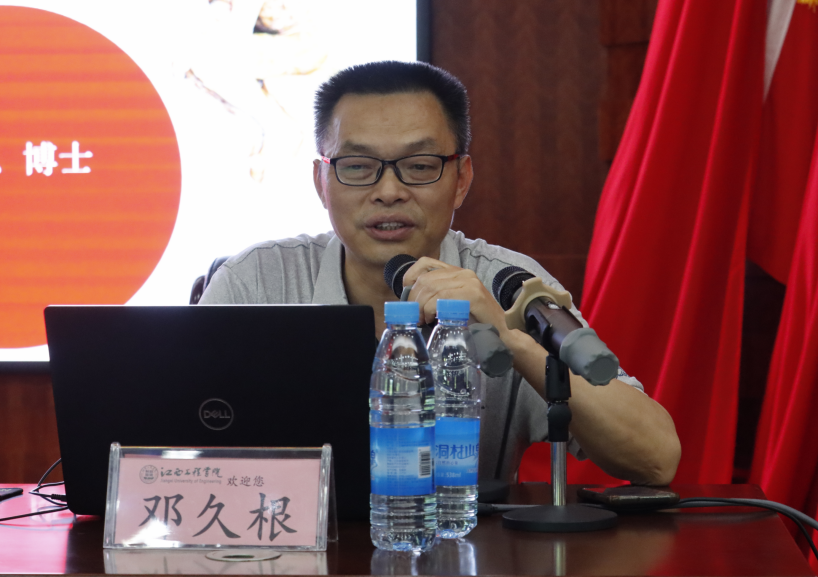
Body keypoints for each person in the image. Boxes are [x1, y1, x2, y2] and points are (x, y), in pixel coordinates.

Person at [201, 60, 681, 486]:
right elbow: (180, 451)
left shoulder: (508, 285)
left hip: (458, 545)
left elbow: (657, 459)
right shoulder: (254, 282)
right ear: (321, 182)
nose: (389, 190)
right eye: (358, 166)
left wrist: (510, 339)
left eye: (419, 165)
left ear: (461, 179)